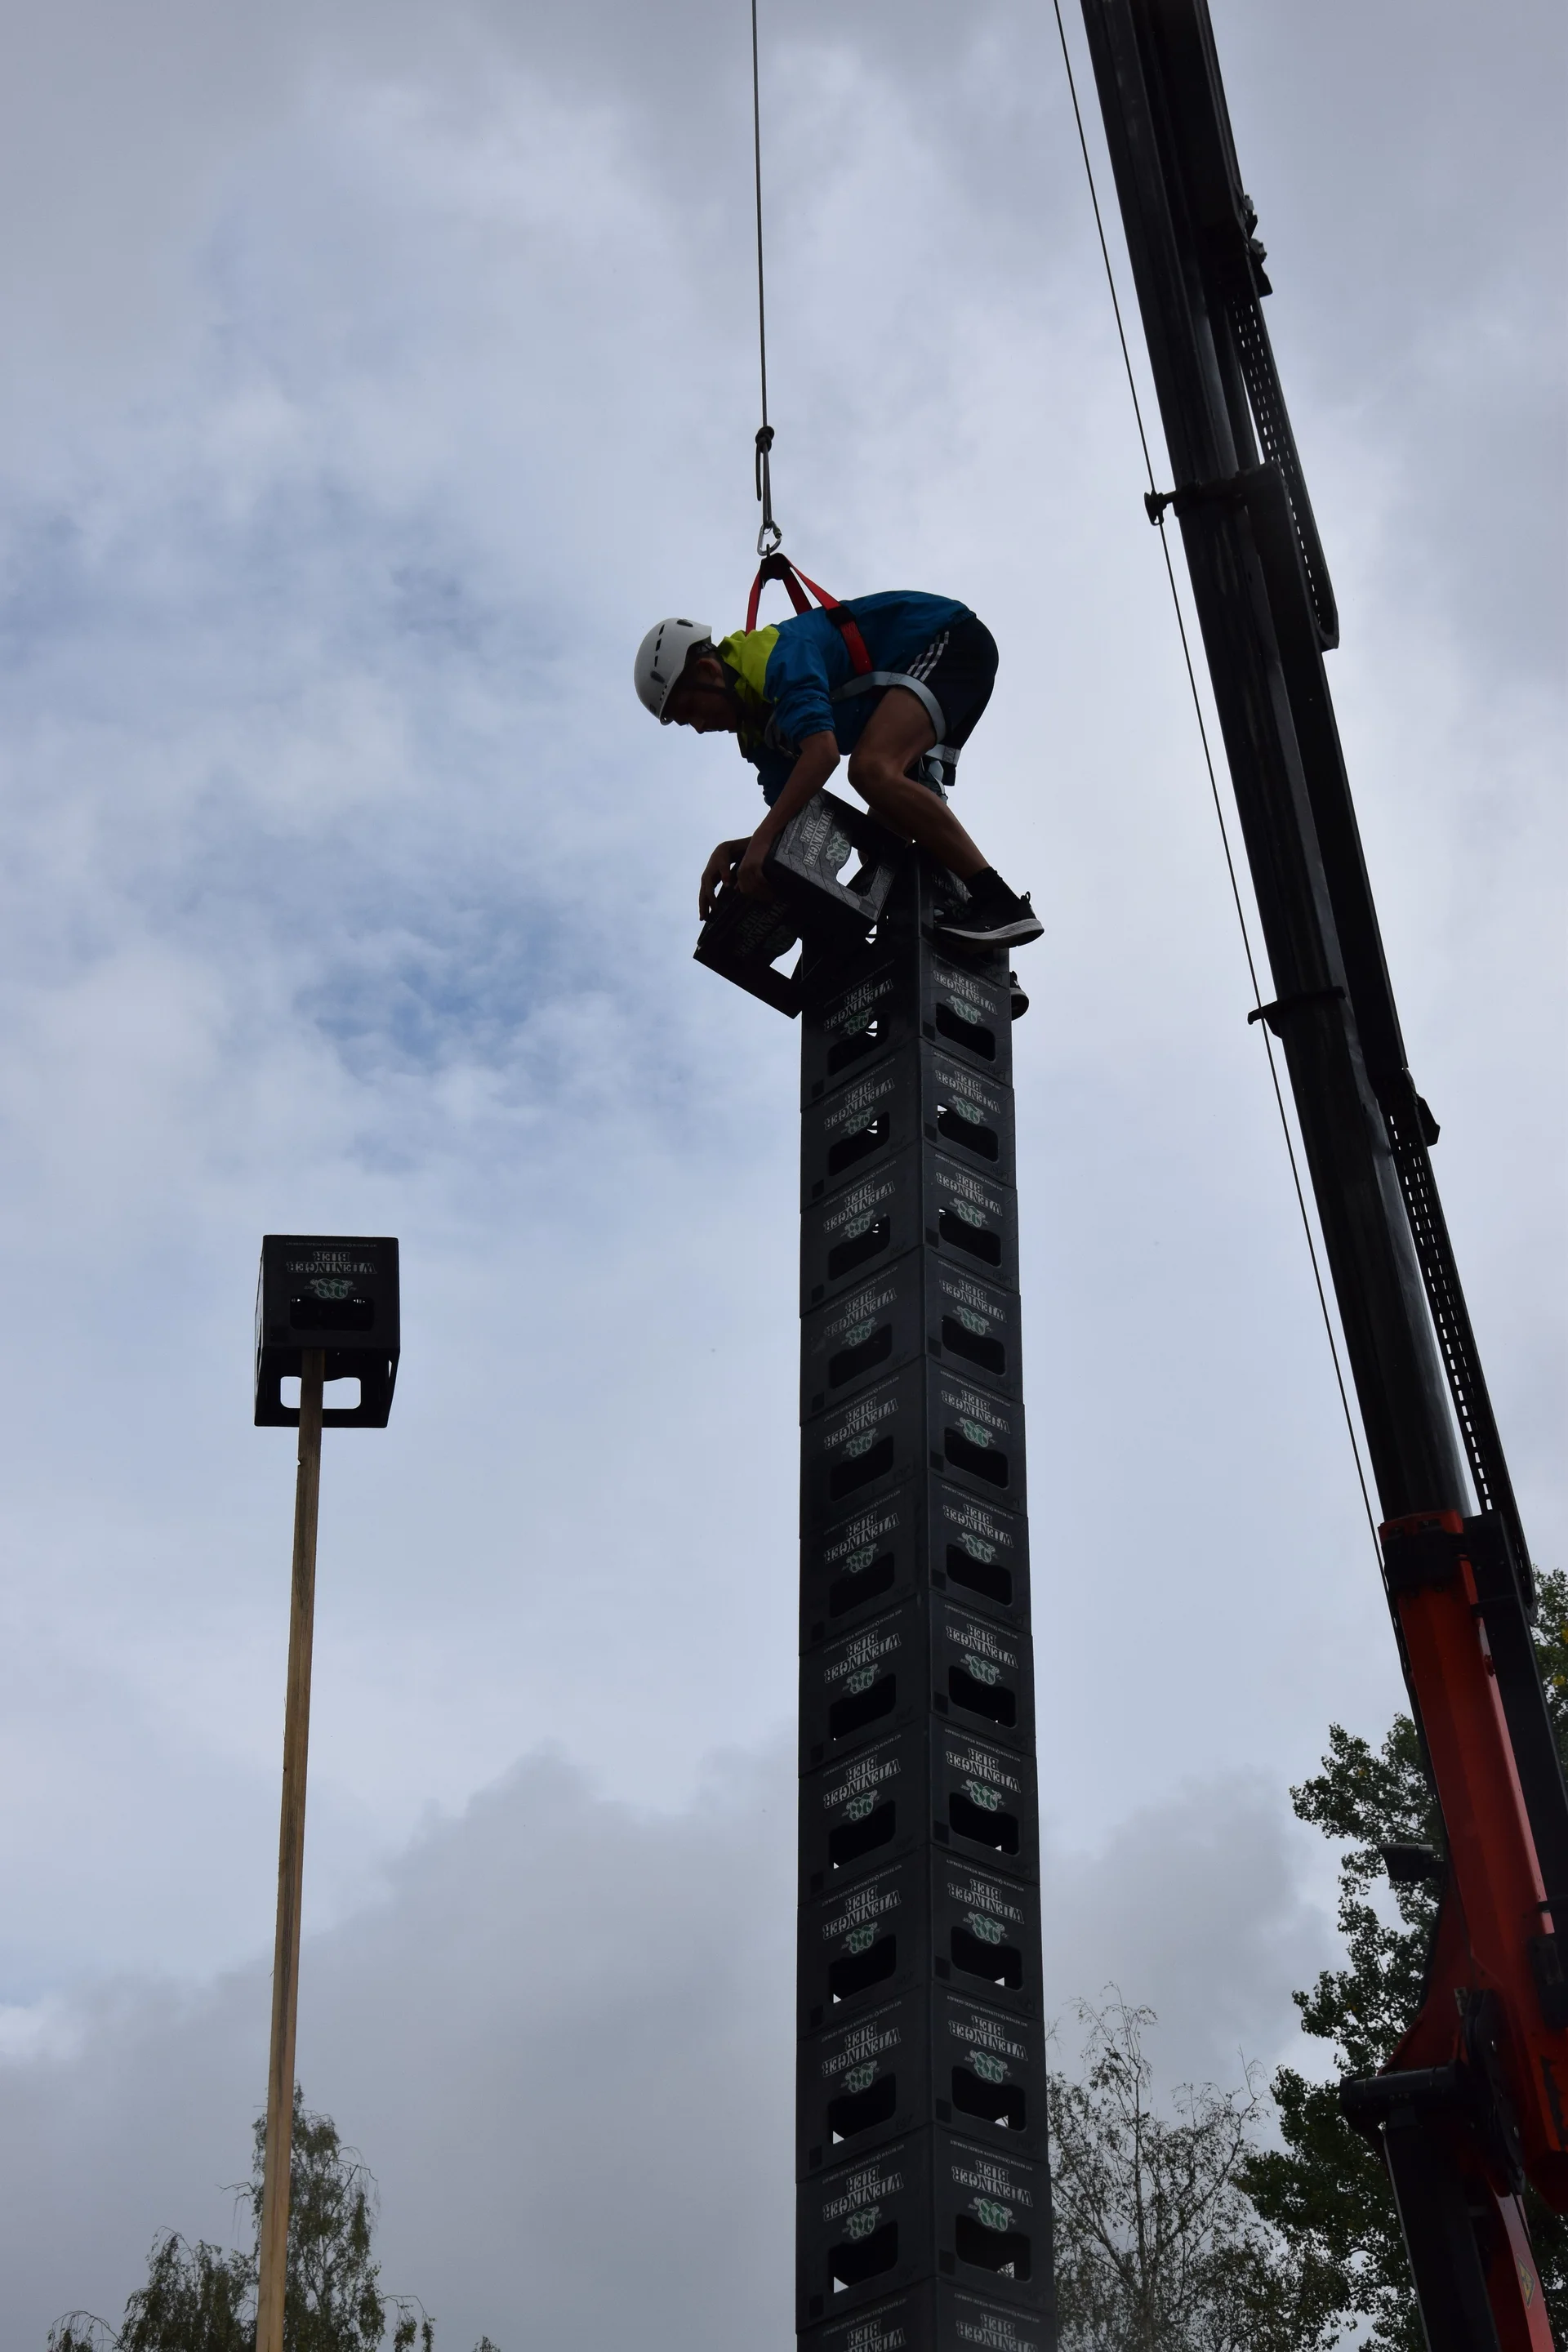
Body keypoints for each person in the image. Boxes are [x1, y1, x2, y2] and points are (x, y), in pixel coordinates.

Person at [633, 590, 1044, 950]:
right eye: (687, 723)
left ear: (708, 671)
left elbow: (823, 754)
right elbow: (797, 820)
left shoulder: (772, 657)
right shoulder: (756, 732)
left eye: (692, 709)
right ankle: (980, 954)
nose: (699, 726)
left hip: (947, 640)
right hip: (911, 683)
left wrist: (760, 841)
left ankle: (1000, 903)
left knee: (871, 770)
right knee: (879, 843)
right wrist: (735, 850)